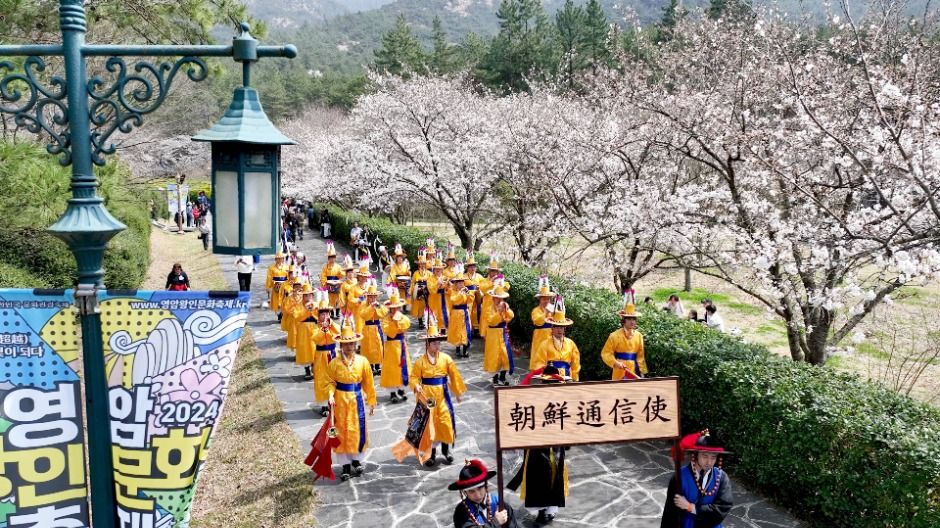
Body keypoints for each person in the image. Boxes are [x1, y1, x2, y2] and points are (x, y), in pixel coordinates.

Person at [507, 365, 569, 526]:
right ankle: (542, 510)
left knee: (554, 478)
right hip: (537, 449)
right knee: (539, 479)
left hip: (555, 447)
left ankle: (549, 510)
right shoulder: (533, 400)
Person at [410, 312, 466, 467]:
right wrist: (416, 385)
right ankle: (432, 454)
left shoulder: (446, 358)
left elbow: (454, 375)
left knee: (445, 422)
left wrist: (457, 393)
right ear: (428, 344)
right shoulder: (420, 362)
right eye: (434, 343)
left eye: (439, 343)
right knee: (430, 425)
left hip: (443, 396)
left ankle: (446, 450)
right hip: (427, 397)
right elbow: (414, 377)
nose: (437, 346)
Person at [326, 315, 377, 482]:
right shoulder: (334, 363)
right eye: (346, 344)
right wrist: (331, 394)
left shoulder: (363, 361)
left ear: (356, 344)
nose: (349, 346)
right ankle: (345, 466)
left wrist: (371, 401)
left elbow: (368, 383)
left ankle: (356, 460)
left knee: (356, 430)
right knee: (342, 431)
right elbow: (330, 382)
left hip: (357, 401)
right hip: (340, 401)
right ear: (341, 345)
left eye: (352, 343)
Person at [661, 429, 734, 528]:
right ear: (695, 455)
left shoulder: (721, 477)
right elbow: (670, 515)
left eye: (713, 457)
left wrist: (690, 507)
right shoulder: (679, 478)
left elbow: (723, 507)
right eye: (705, 456)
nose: (709, 462)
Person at [451, 459, 519, 528]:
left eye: (480, 488)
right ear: (465, 492)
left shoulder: (499, 504)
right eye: (471, 491)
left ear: (486, 486)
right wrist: (495, 523)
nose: (478, 495)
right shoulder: (461, 512)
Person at [531, 298, 580, 381]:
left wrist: (575, 379)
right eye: (557, 327)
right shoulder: (545, 344)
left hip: (567, 379)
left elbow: (575, 364)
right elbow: (539, 363)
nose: (559, 330)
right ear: (552, 328)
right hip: (549, 379)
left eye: (561, 327)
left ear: (565, 329)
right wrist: (544, 374)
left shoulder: (570, 343)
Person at [601, 296, 647, 380]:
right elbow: (606, 353)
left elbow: (640, 356)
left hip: (635, 370)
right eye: (629, 319)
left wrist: (642, 373)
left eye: (634, 319)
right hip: (620, 370)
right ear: (623, 320)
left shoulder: (639, 335)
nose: (632, 321)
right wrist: (615, 363)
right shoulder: (614, 335)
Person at [380, 287, 412, 404]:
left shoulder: (403, 318)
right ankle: (392, 392)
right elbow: (388, 331)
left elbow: (405, 326)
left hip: (401, 345)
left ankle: (401, 389)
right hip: (390, 346)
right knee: (391, 368)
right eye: (392, 309)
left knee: (402, 366)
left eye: (396, 308)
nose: (394, 310)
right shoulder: (386, 320)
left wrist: (398, 322)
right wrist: (394, 324)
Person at [310, 289, 339, 417]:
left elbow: (339, 333)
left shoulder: (333, 325)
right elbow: (316, 338)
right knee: (322, 378)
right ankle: (323, 405)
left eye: (327, 313)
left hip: (333, 354)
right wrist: (324, 329)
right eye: (322, 314)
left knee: (334, 377)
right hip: (321, 355)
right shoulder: (315, 327)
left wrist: (330, 325)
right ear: (318, 315)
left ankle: (334, 401)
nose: (325, 316)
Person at [483, 281, 514, 387]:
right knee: (494, 356)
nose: (499, 300)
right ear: (493, 298)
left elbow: (510, 317)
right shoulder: (488, 309)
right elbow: (491, 321)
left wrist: (507, 310)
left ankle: (502, 376)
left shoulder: (505, 307)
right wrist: (498, 312)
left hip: (503, 333)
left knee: (505, 355)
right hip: (492, 334)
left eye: (501, 298)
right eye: (497, 298)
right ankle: (495, 378)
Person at [357, 279, 386, 376]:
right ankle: (371, 366)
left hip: (377, 327)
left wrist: (378, 307)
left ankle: (378, 365)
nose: (372, 299)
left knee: (379, 346)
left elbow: (383, 313)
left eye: (374, 297)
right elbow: (363, 315)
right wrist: (371, 307)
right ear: (367, 297)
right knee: (368, 348)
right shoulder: (363, 305)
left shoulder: (378, 305)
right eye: (370, 297)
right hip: (367, 328)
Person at [478, 258, 509, 340]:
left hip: (497, 306)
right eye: (492, 271)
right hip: (487, 306)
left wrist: (500, 282)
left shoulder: (500, 281)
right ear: (489, 271)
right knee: (486, 326)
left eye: (495, 271)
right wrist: (491, 282)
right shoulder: (484, 281)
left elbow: (507, 287)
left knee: (497, 323)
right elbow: (482, 289)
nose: (494, 273)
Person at [530, 276, 556, 370]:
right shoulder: (535, 310)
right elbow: (537, 322)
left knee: (550, 356)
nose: (546, 301)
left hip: (551, 336)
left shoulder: (553, 309)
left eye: (548, 299)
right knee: (539, 356)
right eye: (543, 299)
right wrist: (545, 313)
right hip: (539, 337)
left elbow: (559, 320)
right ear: (540, 299)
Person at [294, 283, 318, 380]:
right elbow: (297, 317)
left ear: (312, 296)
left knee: (315, 348)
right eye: (306, 295)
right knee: (305, 350)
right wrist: (306, 311)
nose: (308, 297)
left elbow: (320, 316)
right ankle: (307, 369)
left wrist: (313, 311)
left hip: (314, 329)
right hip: (303, 330)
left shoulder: (316, 305)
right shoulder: (298, 306)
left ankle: (315, 367)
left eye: (310, 295)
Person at [447, 267, 473, 359]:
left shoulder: (465, 290)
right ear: (456, 283)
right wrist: (460, 294)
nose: (461, 284)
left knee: (466, 331)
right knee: (457, 331)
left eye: (462, 282)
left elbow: (471, 299)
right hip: (456, 313)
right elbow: (453, 300)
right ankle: (457, 349)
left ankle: (465, 350)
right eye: (459, 282)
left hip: (465, 313)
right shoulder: (453, 291)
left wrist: (468, 293)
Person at [320, 242, 344, 316]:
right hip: (329, 284)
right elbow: (323, 276)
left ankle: (337, 312)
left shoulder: (338, 266)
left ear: (335, 258)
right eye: (330, 257)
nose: (332, 259)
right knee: (330, 299)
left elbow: (341, 275)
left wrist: (342, 273)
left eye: (333, 257)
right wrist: (325, 283)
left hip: (336, 284)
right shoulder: (325, 267)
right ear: (328, 258)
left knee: (338, 298)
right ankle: (331, 312)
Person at [409, 251, 433, 327]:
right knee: (420, 306)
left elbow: (431, 281)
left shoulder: (429, 273)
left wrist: (427, 287)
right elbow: (413, 282)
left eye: (423, 264)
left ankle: (429, 320)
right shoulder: (416, 273)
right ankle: (420, 322)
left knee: (428, 305)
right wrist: (412, 291)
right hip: (418, 290)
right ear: (419, 264)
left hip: (427, 290)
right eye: (421, 264)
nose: (422, 265)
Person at [464, 258, 484, 338]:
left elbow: (484, 286)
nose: (472, 268)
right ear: (467, 268)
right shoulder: (463, 276)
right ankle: (469, 330)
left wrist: (479, 289)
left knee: (477, 312)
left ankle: (476, 330)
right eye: (470, 266)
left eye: (474, 266)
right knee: (468, 313)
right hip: (468, 297)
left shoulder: (479, 276)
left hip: (477, 298)